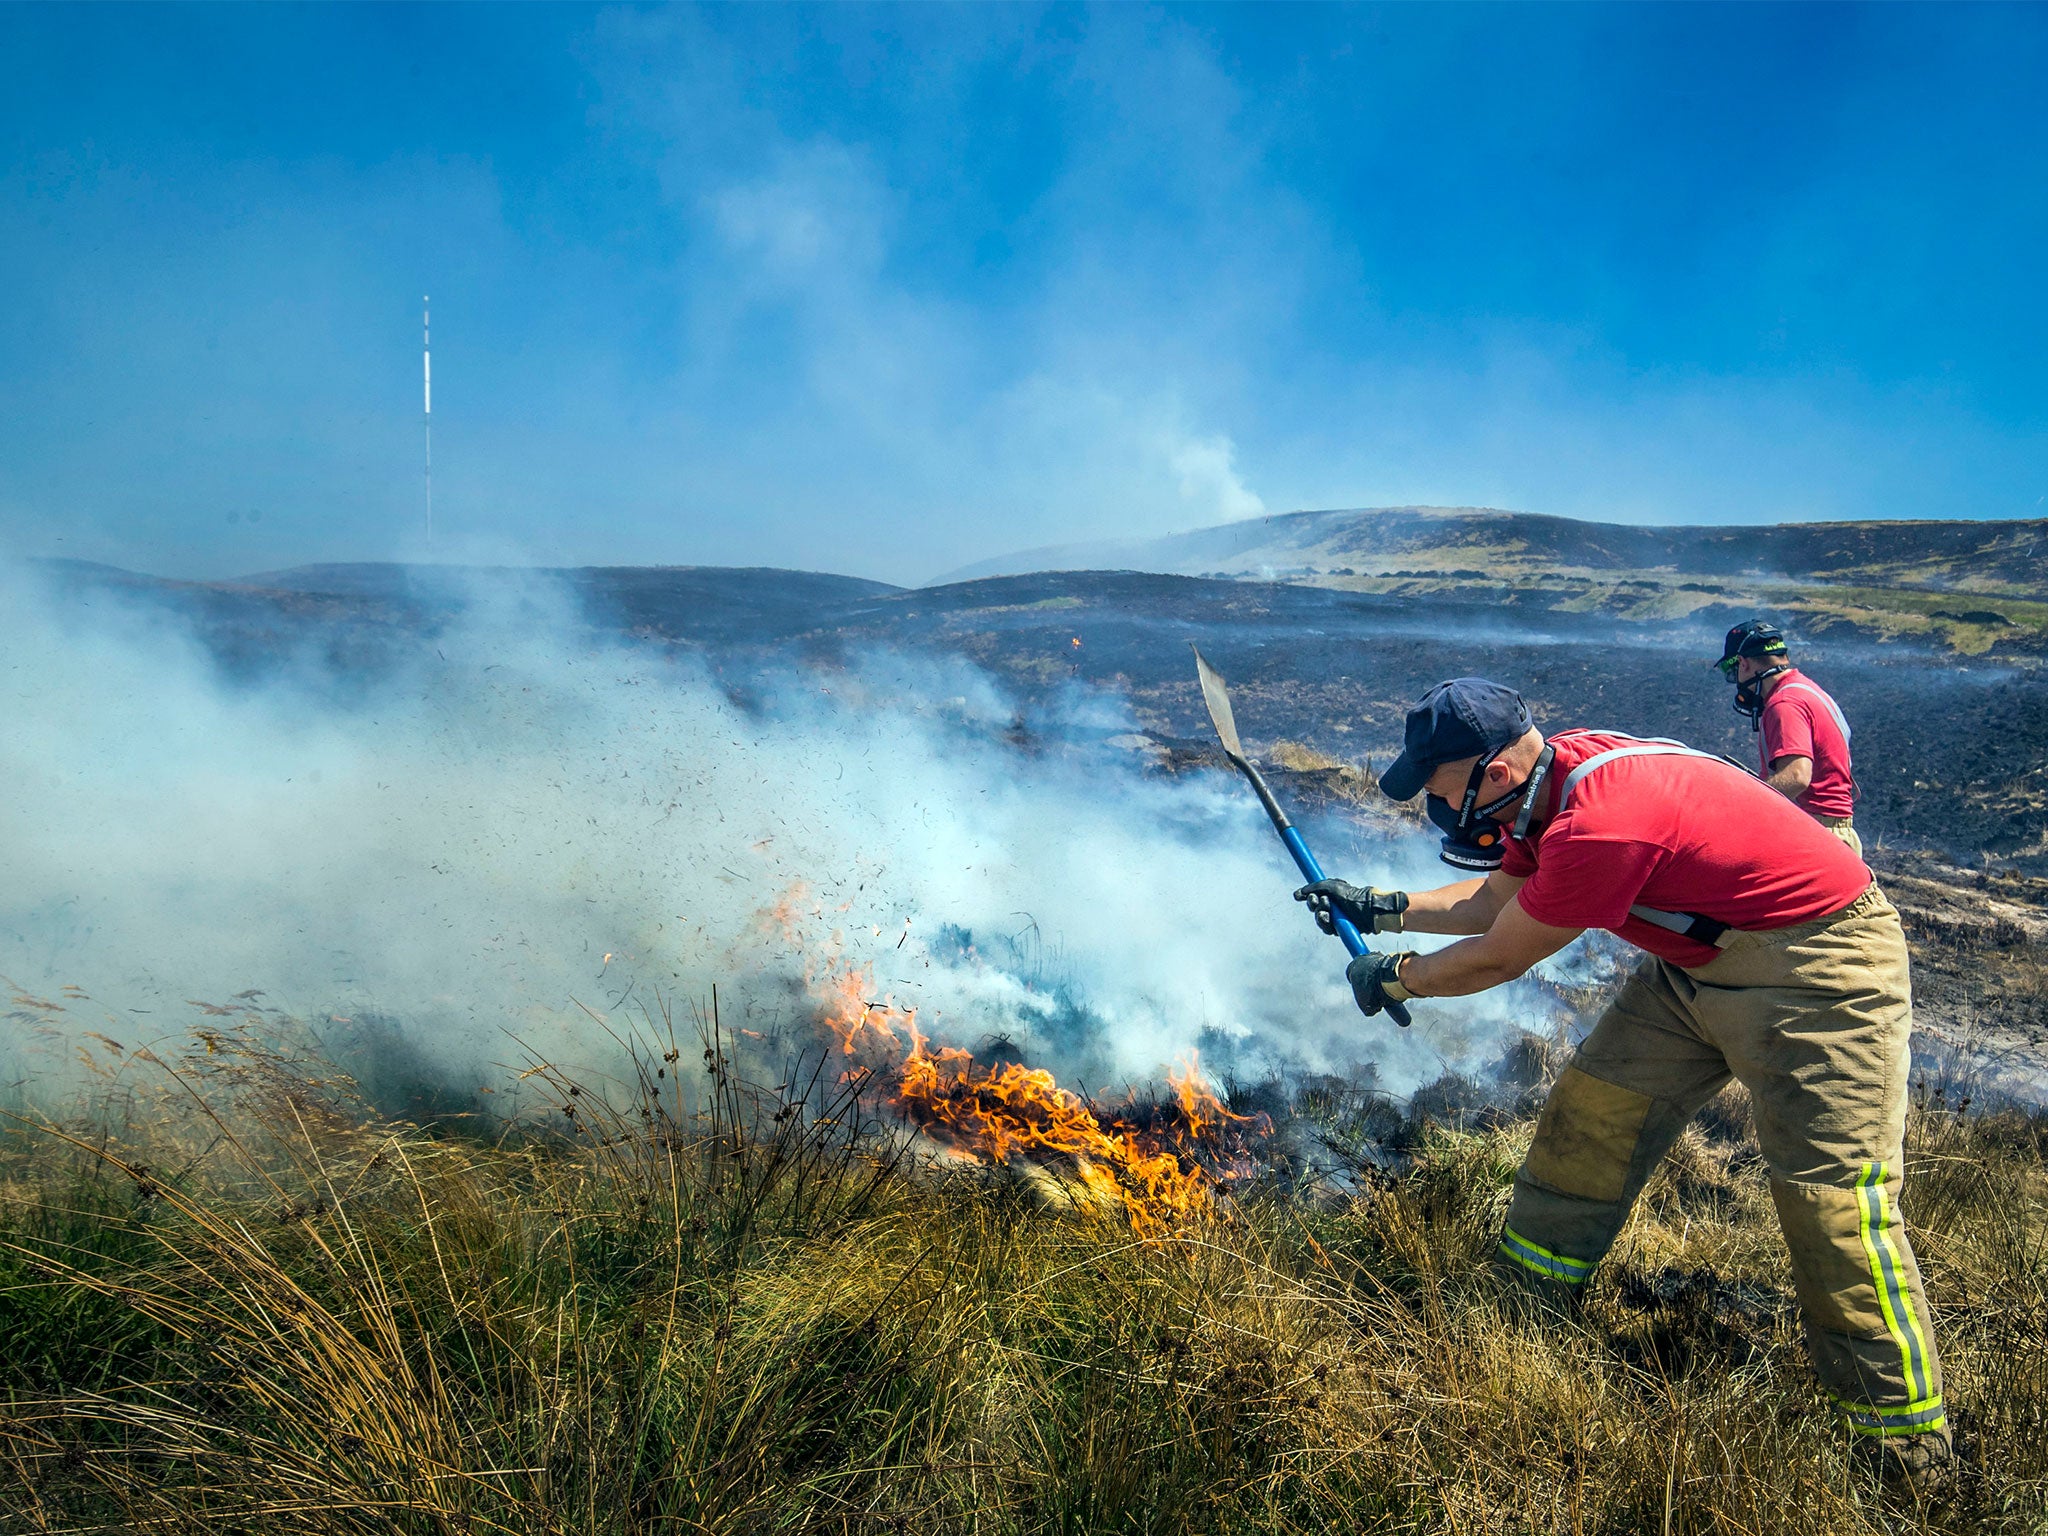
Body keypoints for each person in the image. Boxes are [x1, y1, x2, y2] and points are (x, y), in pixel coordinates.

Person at [1295, 677, 1948, 1485]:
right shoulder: (1554, 778)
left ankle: (1904, 1452)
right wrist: (1381, 904)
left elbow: (1502, 953)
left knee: (1832, 1205)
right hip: (1698, 964)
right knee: (1593, 1116)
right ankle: (1521, 1308)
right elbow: (1496, 898)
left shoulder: (1598, 823)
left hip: (1818, 970)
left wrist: (1395, 977)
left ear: (1494, 773)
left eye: (1438, 790)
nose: (1433, 807)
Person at [1717, 619, 1861, 854]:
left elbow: (1797, 777)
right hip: (1834, 830)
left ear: (1742, 663)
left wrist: (1745, 803)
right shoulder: (1805, 689)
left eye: (1732, 672)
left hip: (1819, 835)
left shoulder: (1785, 703)